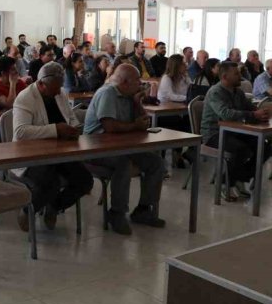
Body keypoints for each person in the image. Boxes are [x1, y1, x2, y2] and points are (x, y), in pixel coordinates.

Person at [83, 64, 167, 235]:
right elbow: (110, 126)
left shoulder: (128, 96)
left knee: (155, 162)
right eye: (137, 80)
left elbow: (143, 124)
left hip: (121, 146)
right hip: (95, 148)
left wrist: (137, 103)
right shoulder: (107, 93)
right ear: (124, 82)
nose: (141, 84)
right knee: (123, 164)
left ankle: (143, 209)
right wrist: (134, 125)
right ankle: (116, 213)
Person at [13, 62, 93, 231]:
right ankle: (28, 211)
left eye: (59, 88)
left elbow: (70, 118)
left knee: (85, 181)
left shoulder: (60, 93)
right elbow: (21, 132)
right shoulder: (25, 98)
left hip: (60, 152)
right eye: (54, 88)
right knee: (51, 183)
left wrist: (74, 128)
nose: (58, 92)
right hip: (31, 155)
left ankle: (55, 207)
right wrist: (55, 129)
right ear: (41, 84)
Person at [200, 61, 271, 202]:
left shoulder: (237, 92)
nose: (240, 76)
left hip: (233, 131)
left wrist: (259, 112)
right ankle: (226, 184)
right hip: (213, 134)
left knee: (265, 146)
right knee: (240, 149)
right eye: (236, 74)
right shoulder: (216, 92)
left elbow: (249, 107)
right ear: (225, 77)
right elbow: (225, 114)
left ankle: (238, 177)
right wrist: (252, 115)